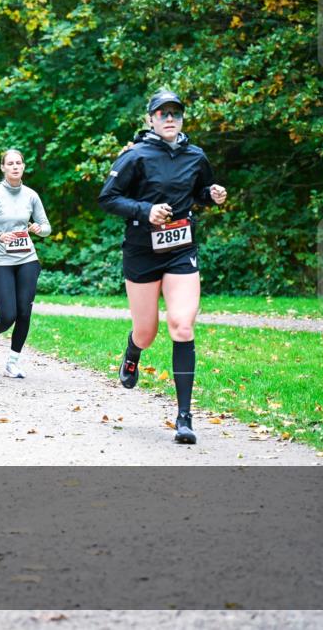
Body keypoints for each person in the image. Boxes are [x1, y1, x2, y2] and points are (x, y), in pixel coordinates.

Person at [98, 89, 228, 445]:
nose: (170, 118)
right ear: (150, 119)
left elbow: (199, 191)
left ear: (182, 118)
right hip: (141, 252)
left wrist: (211, 195)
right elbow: (107, 198)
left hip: (180, 250)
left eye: (176, 112)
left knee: (182, 326)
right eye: (162, 113)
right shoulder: (135, 156)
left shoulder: (196, 155)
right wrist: (145, 210)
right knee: (147, 332)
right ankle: (133, 351)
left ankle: (184, 417)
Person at [0, 149, 51, 379]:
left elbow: (46, 227)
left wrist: (39, 229)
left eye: (19, 163)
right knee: (8, 315)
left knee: (24, 313)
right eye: (10, 163)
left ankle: (12, 363)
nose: (15, 166)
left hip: (27, 258)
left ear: (24, 167)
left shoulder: (31, 195)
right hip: (0, 261)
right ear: (3, 168)